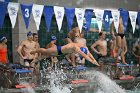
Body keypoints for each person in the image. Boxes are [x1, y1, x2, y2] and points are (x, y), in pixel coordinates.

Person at [30, 42, 100, 66]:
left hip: (60, 53)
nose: (77, 53)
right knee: (45, 51)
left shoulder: (83, 46)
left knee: (44, 56)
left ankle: (33, 61)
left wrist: (94, 60)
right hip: (57, 49)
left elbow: (88, 53)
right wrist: (91, 61)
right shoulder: (76, 47)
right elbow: (84, 55)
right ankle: (34, 51)